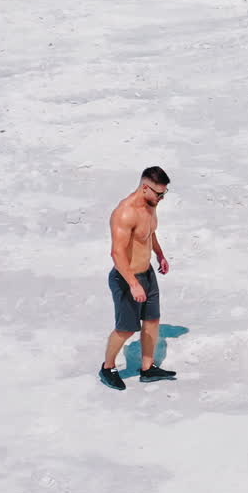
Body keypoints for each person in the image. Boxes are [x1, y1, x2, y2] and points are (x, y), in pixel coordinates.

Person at [99, 166, 177, 390]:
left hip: (148, 274)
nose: (161, 198)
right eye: (158, 193)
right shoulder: (125, 212)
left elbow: (149, 233)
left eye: (165, 194)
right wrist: (133, 284)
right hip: (127, 279)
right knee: (126, 328)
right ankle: (108, 367)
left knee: (152, 321)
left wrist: (160, 254)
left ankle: (147, 368)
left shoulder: (151, 205)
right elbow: (117, 253)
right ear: (145, 188)